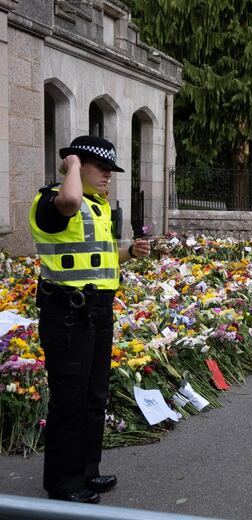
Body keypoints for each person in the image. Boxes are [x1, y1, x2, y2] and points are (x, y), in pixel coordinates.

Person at [29, 135, 151, 504]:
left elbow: (98, 259)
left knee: (94, 396)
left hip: (97, 312)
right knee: (69, 400)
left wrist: (129, 252)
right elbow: (68, 200)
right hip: (67, 313)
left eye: (110, 170)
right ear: (76, 164)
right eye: (101, 168)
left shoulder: (96, 208)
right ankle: (64, 485)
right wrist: (73, 164)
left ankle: (87, 471)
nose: (108, 176)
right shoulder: (50, 200)